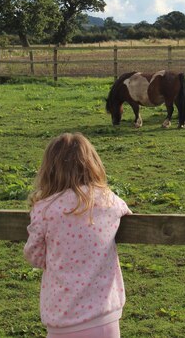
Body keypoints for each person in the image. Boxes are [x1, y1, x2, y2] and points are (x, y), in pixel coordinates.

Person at [24, 132, 132, 338]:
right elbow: (125, 212)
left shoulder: (45, 209)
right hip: (105, 315)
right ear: (92, 164)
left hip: (63, 318)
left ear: (50, 169)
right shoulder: (109, 200)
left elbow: (34, 256)